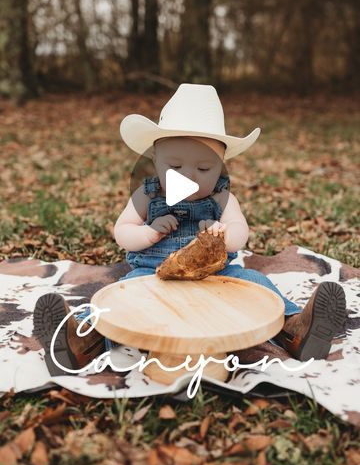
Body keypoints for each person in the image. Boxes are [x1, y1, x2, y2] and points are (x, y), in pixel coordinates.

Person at [34, 84, 346, 377]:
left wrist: (223, 234)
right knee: (116, 301)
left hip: (218, 278)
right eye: (176, 166)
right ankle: (80, 344)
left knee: (257, 284)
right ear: (156, 161)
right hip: (152, 278)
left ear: (221, 164)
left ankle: (296, 329)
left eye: (204, 168)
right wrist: (149, 234)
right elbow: (123, 231)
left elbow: (241, 232)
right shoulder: (148, 195)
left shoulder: (222, 197)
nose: (190, 177)